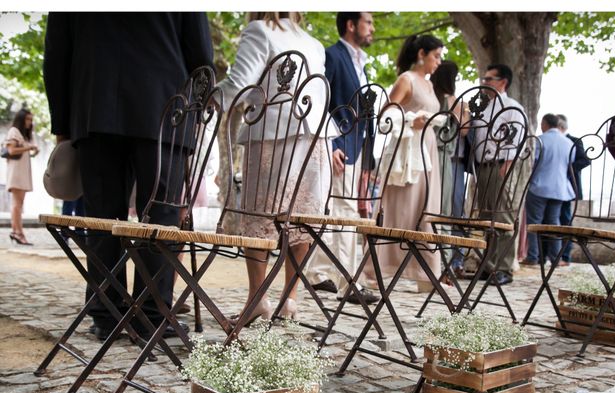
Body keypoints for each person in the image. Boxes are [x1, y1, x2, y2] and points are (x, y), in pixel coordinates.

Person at [43, 13, 214, 340]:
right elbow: (201, 57)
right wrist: (196, 113)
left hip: (95, 101)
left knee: (102, 215)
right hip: (167, 104)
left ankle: (106, 313)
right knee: (160, 216)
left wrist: (63, 124)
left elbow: (57, 54)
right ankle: (152, 315)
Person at [218, 12, 332, 322]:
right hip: (315, 138)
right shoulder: (314, 44)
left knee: (259, 216)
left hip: (274, 136)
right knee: (301, 218)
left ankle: (258, 298)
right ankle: (289, 300)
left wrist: (205, 99)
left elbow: (239, 84)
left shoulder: (259, 30)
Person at [303, 12, 380, 305]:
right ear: (351, 25)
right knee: (344, 212)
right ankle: (350, 282)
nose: (372, 28)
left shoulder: (362, 63)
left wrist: (368, 160)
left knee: (335, 209)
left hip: (358, 149)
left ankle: (317, 274)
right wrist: (330, 143)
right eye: (368, 22)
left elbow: (366, 114)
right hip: (338, 146)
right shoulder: (332, 56)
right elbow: (321, 102)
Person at [361, 34, 444, 293]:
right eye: (436, 56)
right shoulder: (406, 80)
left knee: (426, 209)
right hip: (407, 154)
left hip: (427, 151)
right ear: (422, 53)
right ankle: (376, 270)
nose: (439, 62)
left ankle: (426, 273)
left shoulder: (429, 85)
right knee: (400, 209)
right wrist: (410, 121)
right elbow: (386, 116)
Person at [471, 63, 527, 286]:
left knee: (502, 216)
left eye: (489, 79)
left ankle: (504, 268)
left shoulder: (512, 107)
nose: (484, 82)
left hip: (500, 164)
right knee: (486, 217)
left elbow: (518, 136)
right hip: (483, 166)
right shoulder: (484, 107)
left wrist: (509, 163)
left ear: (502, 82)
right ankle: (489, 265)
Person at [431, 60, 469, 278]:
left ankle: (436, 257)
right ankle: (448, 260)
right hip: (446, 159)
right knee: (449, 210)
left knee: (434, 208)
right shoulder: (453, 101)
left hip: (429, 155)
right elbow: (464, 130)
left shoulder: (432, 98)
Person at [521, 113, 575, 266]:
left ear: (545, 124)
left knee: (534, 223)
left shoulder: (540, 140)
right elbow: (569, 163)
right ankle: (556, 258)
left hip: (539, 186)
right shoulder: (568, 143)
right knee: (554, 223)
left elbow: (533, 163)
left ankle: (533, 257)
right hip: (559, 188)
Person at [556, 114, 589, 265]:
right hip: (554, 187)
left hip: (567, 187)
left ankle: (565, 257)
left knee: (565, 220)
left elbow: (585, 160)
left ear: (561, 127)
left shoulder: (575, 141)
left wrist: (566, 170)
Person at [3, 108, 39, 246]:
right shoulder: (14, 131)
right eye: (27, 119)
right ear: (21, 119)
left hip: (22, 172)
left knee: (19, 205)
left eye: (31, 119)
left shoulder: (23, 135)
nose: (30, 122)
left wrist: (32, 150)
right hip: (16, 173)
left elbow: (22, 153)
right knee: (17, 205)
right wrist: (29, 147)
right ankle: (18, 233)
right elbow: (11, 150)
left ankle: (16, 232)